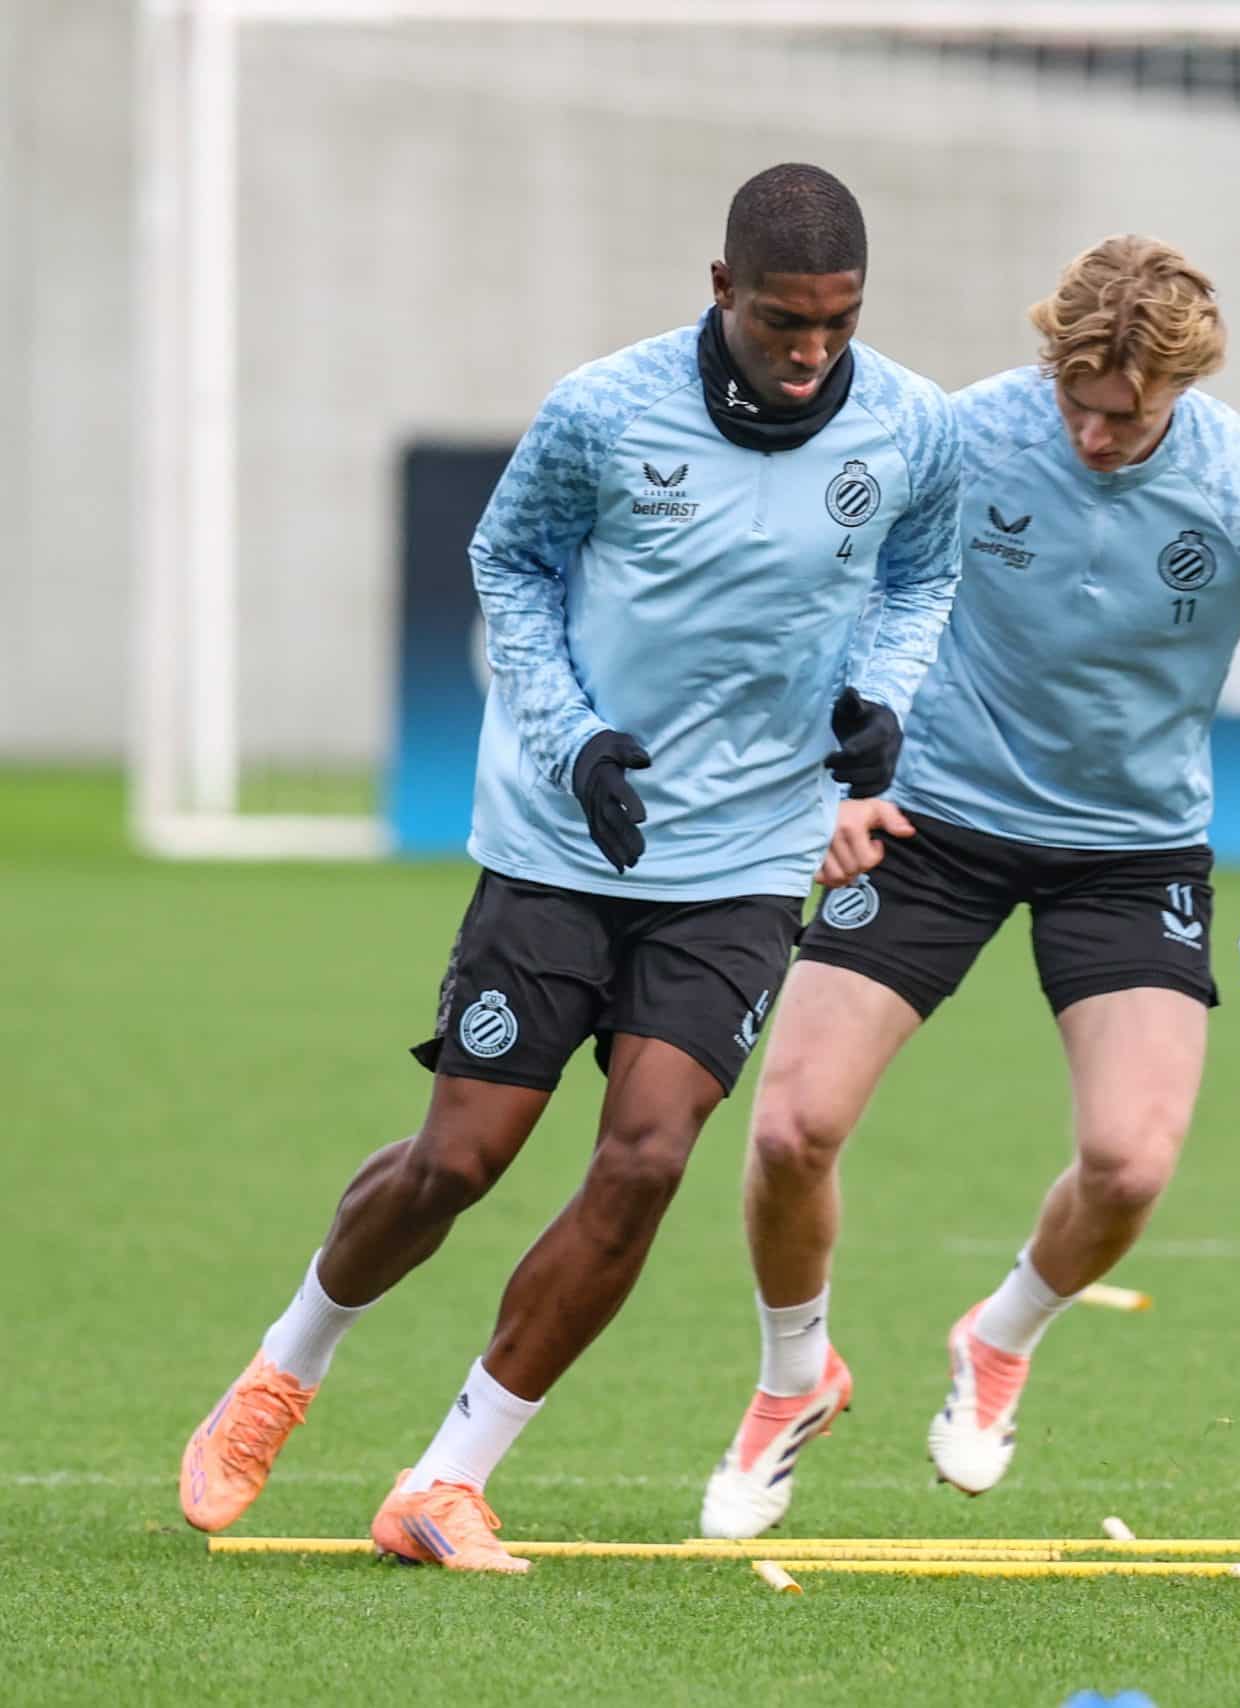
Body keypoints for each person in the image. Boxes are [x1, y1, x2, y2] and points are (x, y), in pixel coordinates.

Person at [177, 164, 962, 1572]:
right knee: (458, 1160)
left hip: (744, 851)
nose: (810, 352)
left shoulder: (912, 425)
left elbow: (920, 578)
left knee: (649, 1156)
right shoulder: (604, 408)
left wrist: (882, 697)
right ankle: (286, 1366)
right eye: (785, 320)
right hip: (563, 834)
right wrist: (577, 739)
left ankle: (448, 1478)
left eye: (837, 324)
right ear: (721, 289)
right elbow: (511, 567)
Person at [699, 236, 1240, 1536]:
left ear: (1182, 390)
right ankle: (793, 1376)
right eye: (1075, 402)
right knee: (790, 1127)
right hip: (936, 811)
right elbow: (833, 601)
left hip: (1131, 843)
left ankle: (1000, 1336)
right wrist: (834, 783)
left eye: (1125, 413)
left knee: (1132, 1165)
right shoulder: (959, 436)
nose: (1093, 433)